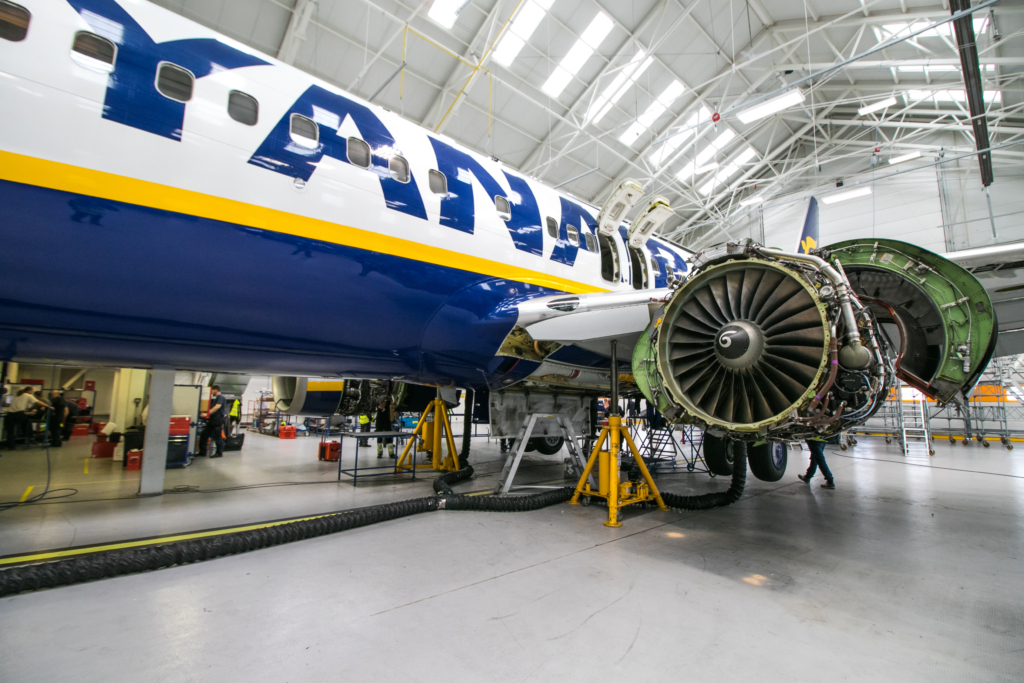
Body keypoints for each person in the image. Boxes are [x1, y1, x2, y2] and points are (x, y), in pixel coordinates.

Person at [198, 385, 226, 458]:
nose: (211, 392)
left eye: (212, 391)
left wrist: (207, 414)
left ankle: (219, 453)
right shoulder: (217, 398)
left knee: (217, 436)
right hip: (212, 419)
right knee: (204, 435)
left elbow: (217, 406)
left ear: (215, 390)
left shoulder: (220, 397)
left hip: (217, 419)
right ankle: (202, 452)